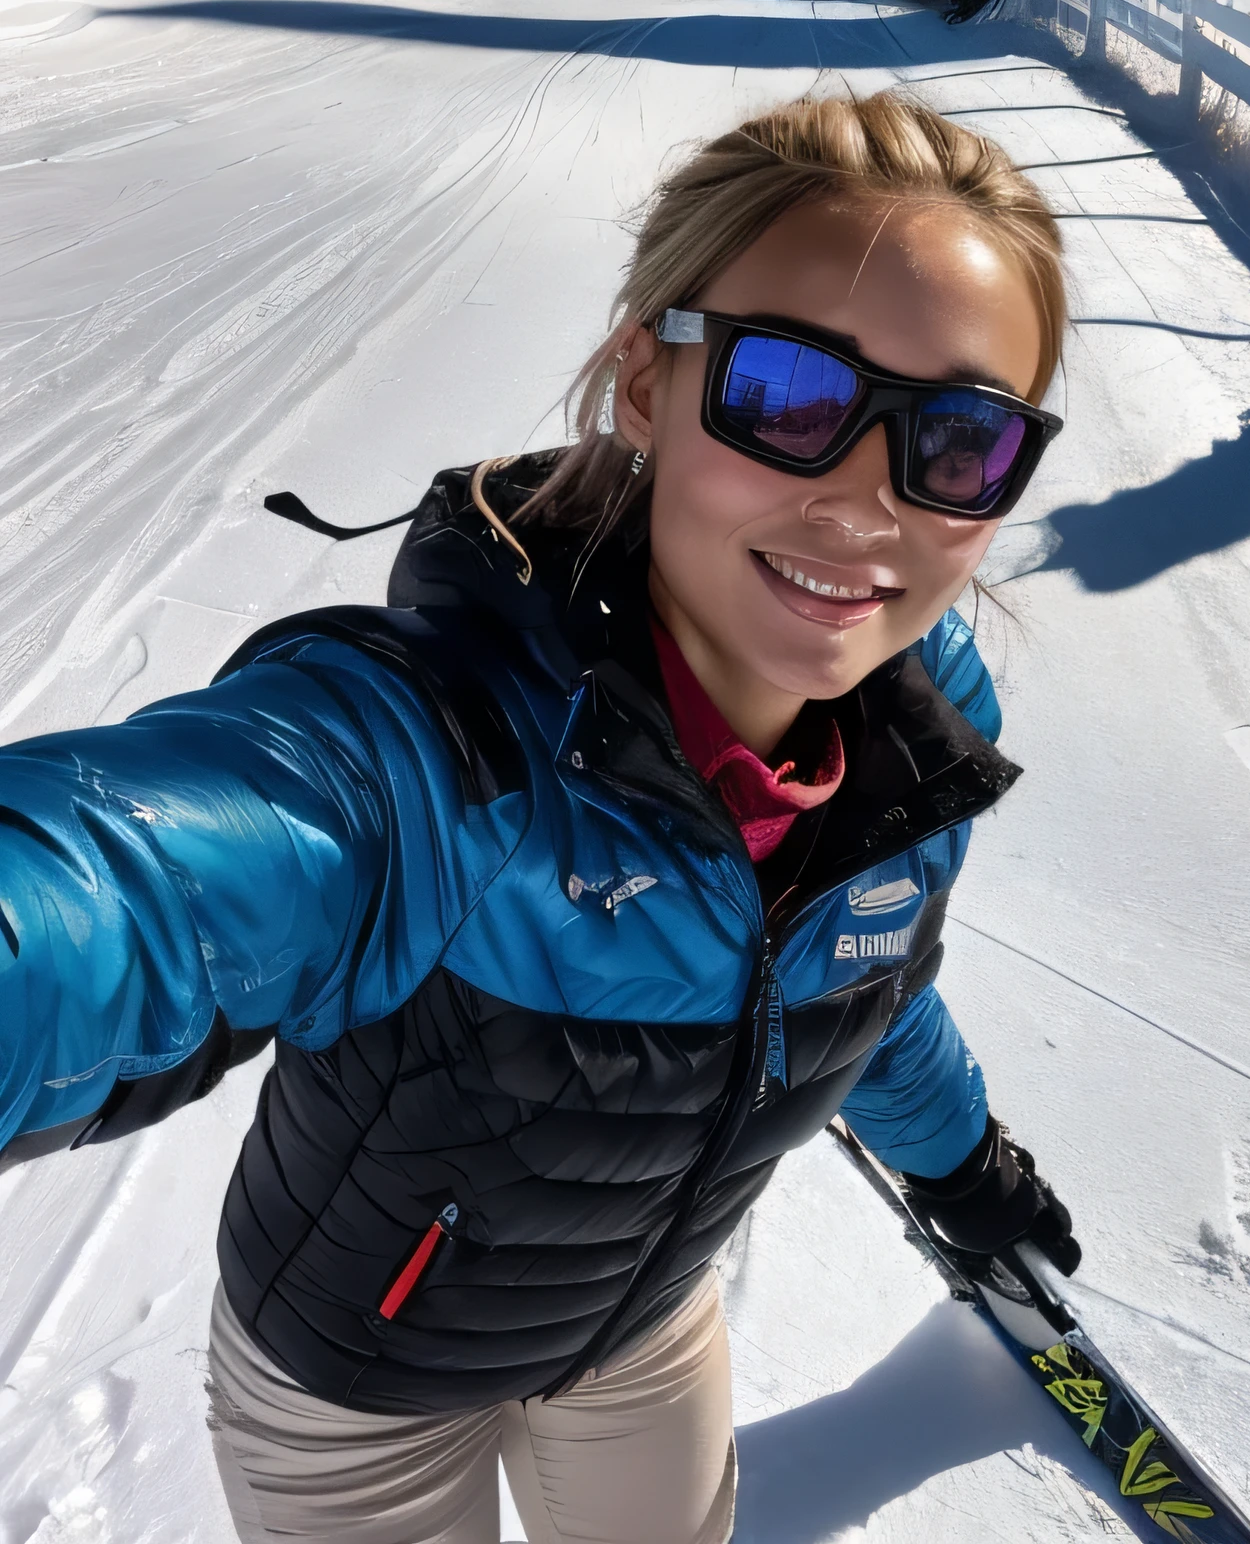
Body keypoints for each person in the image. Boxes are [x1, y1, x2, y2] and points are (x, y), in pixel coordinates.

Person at [0, 91, 1079, 1544]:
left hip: (640, 1338)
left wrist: (962, 1167)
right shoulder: (439, 755)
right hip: (359, 1389)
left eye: (959, 440)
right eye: (788, 393)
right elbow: (118, 890)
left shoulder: (919, 737)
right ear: (646, 381)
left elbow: (860, 977)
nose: (865, 502)